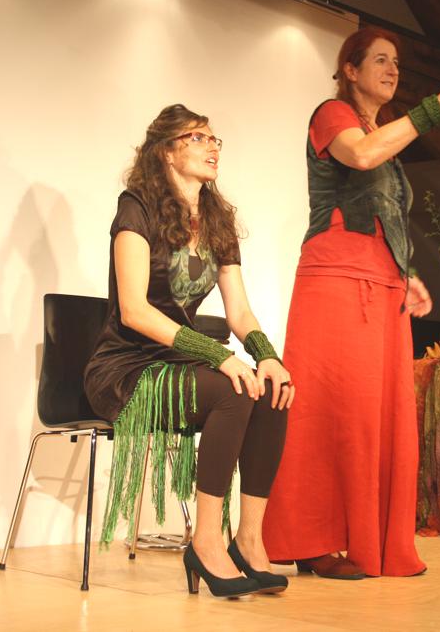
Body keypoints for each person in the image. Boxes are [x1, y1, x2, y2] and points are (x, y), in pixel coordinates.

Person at [261, 27, 440, 577]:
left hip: (380, 285)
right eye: (381, 61)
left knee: (376, 417)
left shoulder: (383, 132)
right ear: (350, 69)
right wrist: (431, 112)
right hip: (336, 280)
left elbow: (381, 208)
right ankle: (313, 541)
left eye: (397, 63)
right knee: (330, 413)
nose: (392, 71)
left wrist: (404, 271)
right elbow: (361, 158)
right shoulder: (332, 115)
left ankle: (369, 540)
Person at [83, 104, 295, 598]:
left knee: (269, 389)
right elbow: (134, 310)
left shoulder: (217, 219)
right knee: (233, 390)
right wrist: (218, 355)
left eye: (214, 138)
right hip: (126, 369)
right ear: (166, 152)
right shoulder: (136, 207)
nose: (212, 146)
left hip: (178, 365)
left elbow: (239, 311)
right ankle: (205, 542)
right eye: (197, 138)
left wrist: (267, 355)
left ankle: (248, 540)